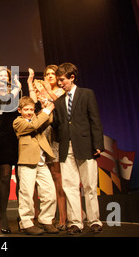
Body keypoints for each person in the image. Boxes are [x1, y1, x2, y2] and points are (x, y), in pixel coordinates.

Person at [53, 62, 104, 235]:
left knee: (89, 184)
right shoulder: (59, 101)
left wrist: (98, 144)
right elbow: (59, 125)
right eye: (59, 80)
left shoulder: (86, 94)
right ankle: (75, 222)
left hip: (85, 145)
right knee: (69, 185)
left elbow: (94, 120)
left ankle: (94, 220)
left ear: (72, 77)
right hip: (66, 147)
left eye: (62, 80)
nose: (60, 83)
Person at [13, 96, 58, 235]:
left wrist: (46, 107)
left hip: (41, 161)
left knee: (50, 192)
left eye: (32, 109)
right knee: (26, 194)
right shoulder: (18, 122)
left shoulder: (36, 119)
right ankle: (26, 222)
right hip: (27, 161)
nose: (29, 112)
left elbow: (48, 120)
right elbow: (32, 126)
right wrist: (45, 111)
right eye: (26, 109)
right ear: (19, 110)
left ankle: (46, 220)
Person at [33, 65, 67, 231]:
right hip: (43, 132)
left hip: (56, 133)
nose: (50, 76)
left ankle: (63, 217)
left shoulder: (61, 91)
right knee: (46, 178)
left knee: (58, 177)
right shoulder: (42, 90)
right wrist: (32, 84)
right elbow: (33, 102)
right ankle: (47, 217)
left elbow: (60, 106)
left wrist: (47, 89)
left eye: (53, 74)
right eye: (47, 74)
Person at [0, 67, 21, 234]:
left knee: (22, 178)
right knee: (5, 176)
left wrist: (17, 88)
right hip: (2, 136)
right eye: (0, 75)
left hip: (18, 136)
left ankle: (22, 216)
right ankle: (3, 216)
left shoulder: (17, 90)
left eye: (5, 75)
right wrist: (15, 88)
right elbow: (5, 102)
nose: (3, 77)